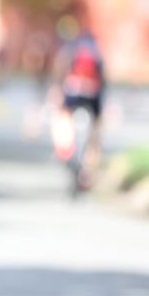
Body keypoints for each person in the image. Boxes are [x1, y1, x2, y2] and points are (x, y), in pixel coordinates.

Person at [47, 18, 105, 186]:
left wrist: (57, 91)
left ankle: (64, 148)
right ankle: (90, 166)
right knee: (96, 127)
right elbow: (103, 82)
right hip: (93, 94)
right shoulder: (97, 53)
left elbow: (61, 71)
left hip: (73, 91)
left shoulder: (72, 49)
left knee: (63, 115)